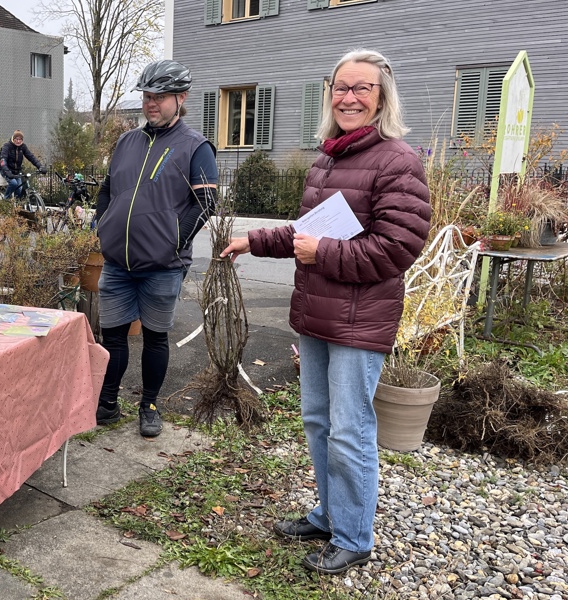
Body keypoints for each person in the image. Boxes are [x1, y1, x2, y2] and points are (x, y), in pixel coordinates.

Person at [221, 49, 431, 575]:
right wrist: (253, 241)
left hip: (360, 323)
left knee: (349, 429)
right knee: (318, 421)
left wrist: (325, 254)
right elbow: (308, 232)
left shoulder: (397, 160)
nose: (349, 97)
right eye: (341, 87)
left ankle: (355, 536)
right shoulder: (328, 157)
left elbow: (398, 248)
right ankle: (330, 513)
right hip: (317, 313)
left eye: (362, 88)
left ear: (382, 96)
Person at [94, 59, 219, 438]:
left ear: (181, 98)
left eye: (160, 97)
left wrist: (173, 241)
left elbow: (206, 204)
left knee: (155, 336)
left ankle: (149, 405)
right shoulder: (127, 142)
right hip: (117, 263)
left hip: (162, 266)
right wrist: (103, 228)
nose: (152, 103)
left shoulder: (195, 147)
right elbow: (106, 190)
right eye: (148, 96)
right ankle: (108, 403)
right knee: (112, 335)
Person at [0, 130, 47, 199]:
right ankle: (6, 200)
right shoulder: (7, 146)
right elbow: (3, 160)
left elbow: (31, 157)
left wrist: (40, 166)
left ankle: (17, 204)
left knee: (19, 188)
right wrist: (7, 172)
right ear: (13, 139)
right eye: (16, 139)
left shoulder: (23, 147)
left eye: (20, 139)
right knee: (13, 183)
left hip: (16, 171)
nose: (18, 141)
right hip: (6, 170)